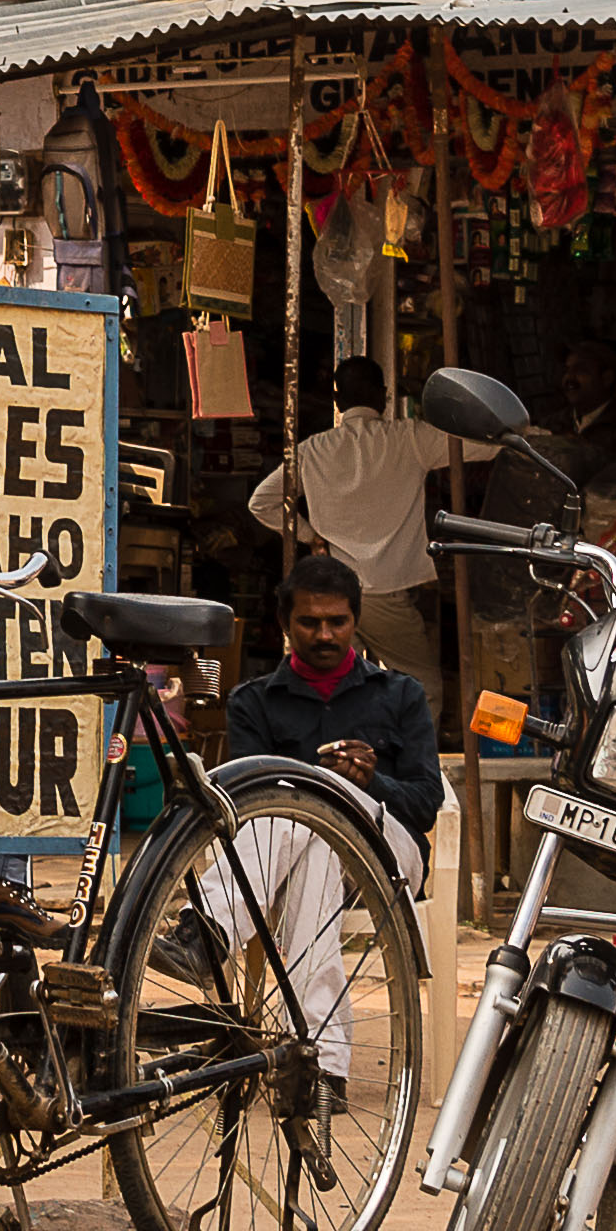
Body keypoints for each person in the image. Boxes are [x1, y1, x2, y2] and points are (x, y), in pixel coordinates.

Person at [200, 556, 442, 1078]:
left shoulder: (401, 694)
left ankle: (209, 932)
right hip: (290, 856)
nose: (325, 634)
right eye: (310, 622)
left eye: (338, 621)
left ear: (356, 622)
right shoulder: (253, 702)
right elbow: (245, 807)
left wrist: (370, 781)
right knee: (311, 836)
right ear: (285, 626)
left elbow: (425, 805)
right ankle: (320, 1067)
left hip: (388, 856)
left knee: (314, 795)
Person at [247, 354, 534, 744]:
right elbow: (483, 448)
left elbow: (261, 503)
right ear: (383, 396)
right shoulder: (409, 438)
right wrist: (527, 432)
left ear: (337, 399)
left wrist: (309, 535)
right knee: (425, 686)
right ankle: (411, 768)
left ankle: (338, 768)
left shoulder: (312, 450)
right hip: (379, 589)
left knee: (341, 685)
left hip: (331, 588)